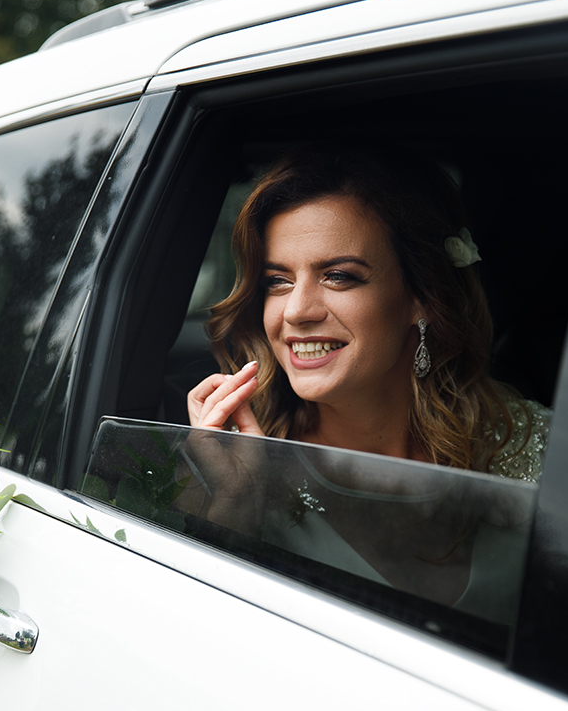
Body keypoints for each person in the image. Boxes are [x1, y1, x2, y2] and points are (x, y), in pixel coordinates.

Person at [187, 145, 549, 482]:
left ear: (424, 296)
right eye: (278, 281)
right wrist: (234, 501)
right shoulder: (232, 456)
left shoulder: (538, 448)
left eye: (338, 276)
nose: (296, 312)